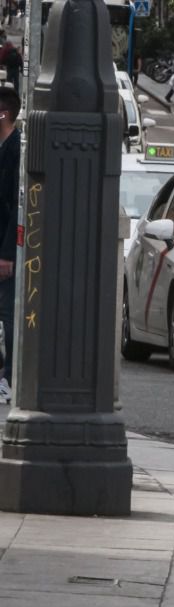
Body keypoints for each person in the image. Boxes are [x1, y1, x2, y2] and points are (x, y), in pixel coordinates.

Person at [0, 87, 19, 402]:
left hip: (6, 247)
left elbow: (15, 205)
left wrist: (7, 254)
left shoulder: (17, 148)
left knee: (8, 313)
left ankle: (9, 378)